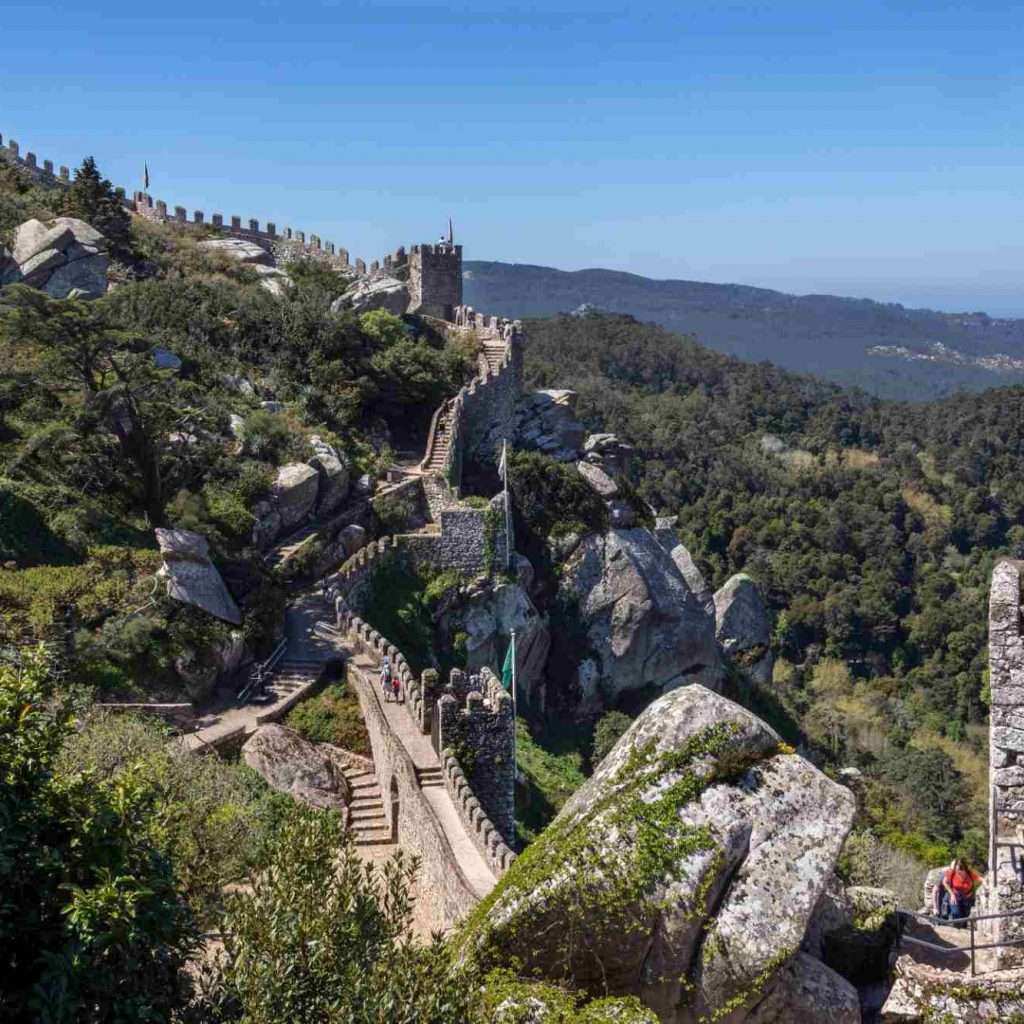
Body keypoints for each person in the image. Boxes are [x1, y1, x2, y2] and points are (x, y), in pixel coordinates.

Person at [938, 857, 983, 922]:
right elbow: (944, 882)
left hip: (967, 900)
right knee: (956, 915)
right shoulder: (952, 873)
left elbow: (980, 878)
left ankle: (961, 928)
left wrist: (985, 884)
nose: (958, 872)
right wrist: (952, 894)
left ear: (964, 869)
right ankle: (955, 928)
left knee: (964, 918)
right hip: (955, 897)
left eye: (960, 871)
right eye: (956, 870)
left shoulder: (969, 873)